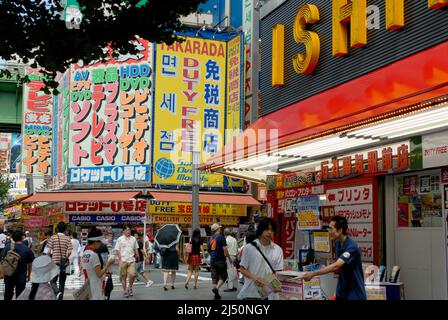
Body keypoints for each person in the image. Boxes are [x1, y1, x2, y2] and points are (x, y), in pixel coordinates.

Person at [300, 216, 367, 300]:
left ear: (340, 230)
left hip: (355, 294)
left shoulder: (352, 247)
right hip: (342, 291)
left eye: (331, 229)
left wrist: (313, 273)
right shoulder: (338, 243)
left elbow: (337, 265)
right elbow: (339, 267)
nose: (329, 231)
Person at [238, 218, 284, 300]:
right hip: (251, 293)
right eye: (267, 229)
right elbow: (242, 269)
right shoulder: (249, 248)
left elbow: (278, 271)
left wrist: (266, 282)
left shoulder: (278, 250)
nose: (270, 232)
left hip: (270, 294)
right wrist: (255, 278)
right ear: (260, 230)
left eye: (272, 230)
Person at [1, 230, 35, 300]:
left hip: (9, 275)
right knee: (20, 296)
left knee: (8, 295)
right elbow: (30, 264)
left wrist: (3, 273)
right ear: (22, 237)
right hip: (21, 277)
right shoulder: (27, 249)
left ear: (12, 238)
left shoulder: (7, 247)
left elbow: (2, 260)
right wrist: (28, 275)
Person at [82, 227, 114, 300]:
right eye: (100, 242)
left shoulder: (85, 253)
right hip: (96, 286)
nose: (100, 244)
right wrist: (108, 264)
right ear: (95, 242)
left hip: (88, 284)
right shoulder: (94, 255)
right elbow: (99, 274)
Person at [47, 221, 72, 300]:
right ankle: (60, 297)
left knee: (52, 281)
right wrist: (65, 256)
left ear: (57, 229)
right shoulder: (68, 239)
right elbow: (70, 251)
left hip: (54, 263)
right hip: (64, 264)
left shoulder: (53, 238)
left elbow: (48, 251)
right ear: (65, 229)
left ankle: (57, 293)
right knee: (62, 282)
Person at [114, 225, 138, 298]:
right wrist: (120, 259)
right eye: (127, 230)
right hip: (123, 260)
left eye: (129, 230)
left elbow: (136, 247)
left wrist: (137, 254)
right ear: (124, 231)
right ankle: (125, 291)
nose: (129, 231)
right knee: (123, 277)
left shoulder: (133, 239)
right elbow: (117, 250)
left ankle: (130, 287)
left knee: (133, 274)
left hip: (131, 260)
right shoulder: (120, 239)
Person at [208, 223, 229, 300]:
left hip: (213, 260)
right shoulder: (221, 237)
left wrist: (213, 255)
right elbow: (225, 249)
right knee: (224, 275)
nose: (220, 229)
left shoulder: (210, 239)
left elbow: (209, 250)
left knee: (215, 277)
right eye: (219, 228)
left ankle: (216, 294)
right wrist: (228, 258)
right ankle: (216, 289)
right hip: (220, 259)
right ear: (218, 230)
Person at [224, 228, 239, 292]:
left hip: (229, 256)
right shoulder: (234, 239)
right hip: (234, 256)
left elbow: (225, 250)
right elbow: (237, 250)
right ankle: (235, 286)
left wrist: (229, 258)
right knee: (234, 271)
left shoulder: (226, 240)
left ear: (225, 233)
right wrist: (236, 257)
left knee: (229, 271)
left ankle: (230, 287)